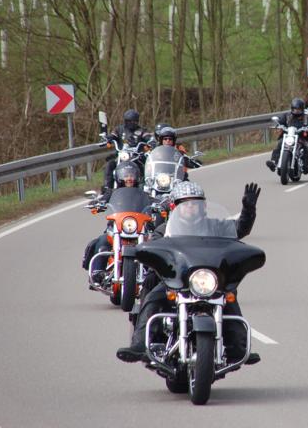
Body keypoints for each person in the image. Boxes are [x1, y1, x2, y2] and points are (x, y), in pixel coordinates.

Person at [116, 181, 262, 365]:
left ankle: (238, 349)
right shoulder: (164, 231)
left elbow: (240, 229)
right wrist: (148, 256)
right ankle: (139, 344)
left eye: (195, 203)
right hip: (176, 281)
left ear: (203, 206)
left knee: (229, 298)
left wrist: (248, 210)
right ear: (175, 207)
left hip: (208, 280)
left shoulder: (216, 227)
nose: (190, 207)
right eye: (185, 204)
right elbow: (153, 250)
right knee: (153, 298)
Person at [82, 162, 148, 279]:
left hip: (139, 229)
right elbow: (103, 199)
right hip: (116, 228)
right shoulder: (112, 193)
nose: (129, 178)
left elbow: (154, 201)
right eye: (126, 176)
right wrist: (97, 203)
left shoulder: (143, 194)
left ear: (137, 176)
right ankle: (97, 272)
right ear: (119, 177)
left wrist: (162, 204)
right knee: (102, 242)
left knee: (152, 247)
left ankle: (153, 275)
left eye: (131, 175)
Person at [103, 109, 152, 193]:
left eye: (134, 121)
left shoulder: (141, 131)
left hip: (136, 157)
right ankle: (107, 188)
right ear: (126, 121)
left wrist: (151, 142)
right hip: (121, 156)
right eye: (130, 121)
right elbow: (113, 135)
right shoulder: (119, 129)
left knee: (144, 166)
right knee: (110, 164)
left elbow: (149, 138)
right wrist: (107, 139)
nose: (132, 123)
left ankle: (144, 189)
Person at [265, 98, 308, 174]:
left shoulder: (306, 117)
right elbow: (280, 121)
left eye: (298, 109)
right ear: (292, 108)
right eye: (295, 109)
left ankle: (306, 165)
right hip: (288, 137)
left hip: (301, 137)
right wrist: (278, 124)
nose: (296, 111)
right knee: (279, 143)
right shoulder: (287, 116)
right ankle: (274, 162)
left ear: (302, 109)